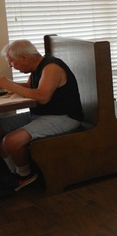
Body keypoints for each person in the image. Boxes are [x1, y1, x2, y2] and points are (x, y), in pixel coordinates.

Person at [0, 40, 83, 192]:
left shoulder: (51, 67)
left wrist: (9, 85)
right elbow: (30, 87)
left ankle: (25, 176)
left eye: (12, 62)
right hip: (40, 115)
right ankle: (13, 173)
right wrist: (6, 86)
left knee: (11, 141)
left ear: (24, 58)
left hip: (64, 117)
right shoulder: (36, 68)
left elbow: (42, 96)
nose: (11, 66)